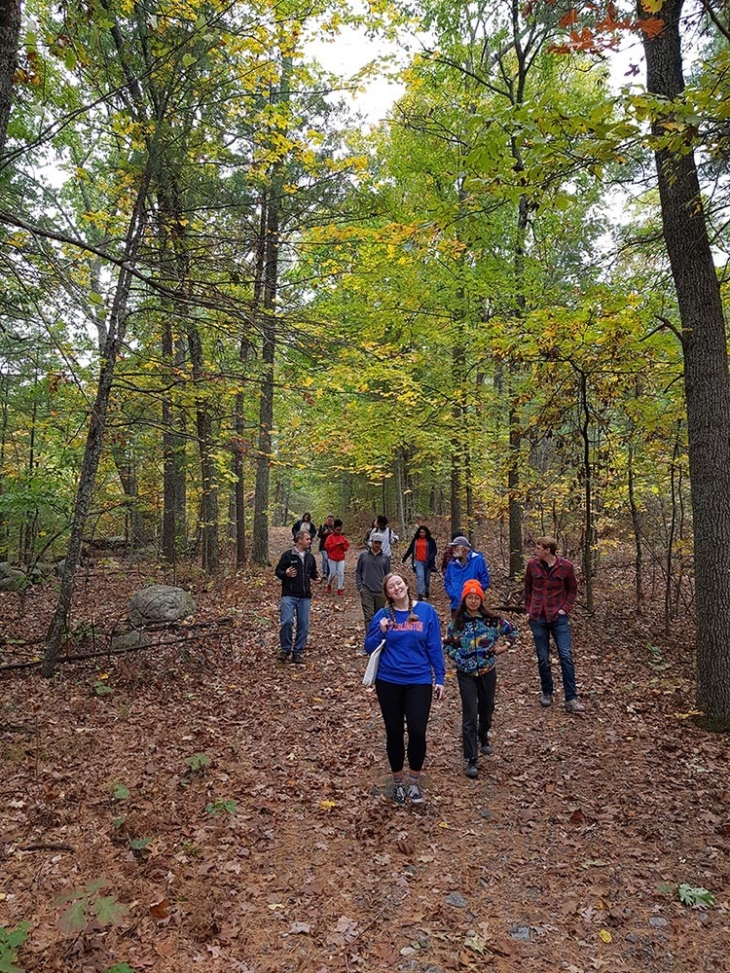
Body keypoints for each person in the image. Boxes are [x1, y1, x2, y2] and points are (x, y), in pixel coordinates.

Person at [364, 572, 445, 806]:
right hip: (389, 681)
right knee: (395, 732)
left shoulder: (426, 612)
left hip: (418, 679)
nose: (397, 588)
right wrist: (380, 630)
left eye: (399, 583)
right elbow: (368, 647)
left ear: (407, 585)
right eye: (391, 586)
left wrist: (439, 677)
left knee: (418, 731)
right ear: (388, 593)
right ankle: (398, 782)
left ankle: (414, 781)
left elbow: (434, 646)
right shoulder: (383, 615)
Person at [444, 580, 518, 778]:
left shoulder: (492, 620)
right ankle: (471, 758)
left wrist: (504, 647)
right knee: (470, 712)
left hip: (487, 671)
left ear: (481, 600)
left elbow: (513, 632)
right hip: (465, 674)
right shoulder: (457, 624)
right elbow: (448, 646)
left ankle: (483, 735)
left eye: (477, 598)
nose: (473, 601)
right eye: (470, 597)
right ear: (464, 599)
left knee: (487, 708)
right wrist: (460, 658)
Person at [524, 536, 585, 713]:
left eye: (538, 547)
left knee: (565, 655)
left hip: (558, 618)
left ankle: (571, 698)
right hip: (538, 617)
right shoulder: (532, 566)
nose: (535, 550)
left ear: (547, 550)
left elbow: (572, 589)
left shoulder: (566, 567)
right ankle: (547, 692)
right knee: (543, 657)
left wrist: (565, 608)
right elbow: (527, 588)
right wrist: (529, 609)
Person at [274, 530, 319, 664]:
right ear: (299, 540)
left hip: (305, 596)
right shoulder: (287, 555)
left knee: (303, 625)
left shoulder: (310, 557)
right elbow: (278, 571)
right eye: (307, 539)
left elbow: (313, 573)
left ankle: (298, 651)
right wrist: (285, 573)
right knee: (287, 621)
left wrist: (317, 578)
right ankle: (285, 649)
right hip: (289, 594)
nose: (309, 541)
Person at [443, 536, 490, 615]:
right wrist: (452, 594)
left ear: (464, 549)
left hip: (473, 606)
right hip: (456, 604)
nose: (453, 550)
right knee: (456, 626)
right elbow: (447, 581)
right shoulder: (451, 564)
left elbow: (485, 580)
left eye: (455, 547)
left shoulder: (478, 560)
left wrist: (474, 594)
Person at [355, 532, 391, 626]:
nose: (377, 545)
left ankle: (378, 638)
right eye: (375, 542)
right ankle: (369, 638)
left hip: (380, 591)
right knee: (369, 617)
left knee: (379, 617)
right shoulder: (363, 556)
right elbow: (358, 571)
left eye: (379, 543)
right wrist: (360, 587)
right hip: (367, 590)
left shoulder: (385, 558)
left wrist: (388, 590)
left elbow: (388, 575)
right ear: (371, 542)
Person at [402, 525, 438, 600]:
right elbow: (410, 549)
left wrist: (431, 557)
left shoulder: (430, 540)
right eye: (420, 532)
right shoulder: (415, 540)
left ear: (426, 532)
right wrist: (405, 558)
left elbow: (435, 550)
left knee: (427, 579)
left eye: (423, 532)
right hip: (418, 561)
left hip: (428, 562)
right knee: (420, 577)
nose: (422, 534)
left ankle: (427, 590)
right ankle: (420, 594)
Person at [323, 519, 350, 594]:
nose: (339, 532)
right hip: (332, 558)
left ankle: (339, 588)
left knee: (341, 573)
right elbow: (327, 547)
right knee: (333, 573)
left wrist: (342, 546)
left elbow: (346, 547)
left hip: (341, 558)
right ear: (334, 529)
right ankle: (329, 584)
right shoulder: (330, 537)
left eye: (340, 530)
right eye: (337, 530)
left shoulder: (342, 537)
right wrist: (335, 545)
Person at [317, 513, 335, 578]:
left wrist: (332, 533)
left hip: (331, 546)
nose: (330, 521)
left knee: (330, 559)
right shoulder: (322, 526)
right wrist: (324, 533)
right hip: (323, 546)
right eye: (329, 520)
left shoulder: (334, 527)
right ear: (327, 519)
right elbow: (319, 535)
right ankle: (325, 572)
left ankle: (329, 572)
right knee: (325, 558)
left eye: (331, 520)